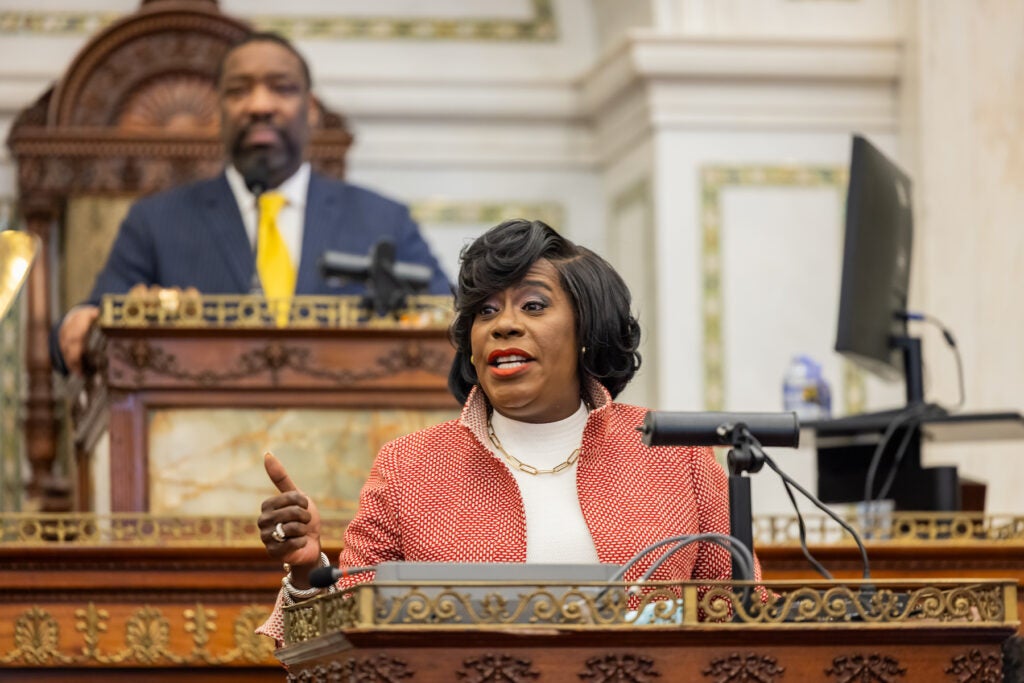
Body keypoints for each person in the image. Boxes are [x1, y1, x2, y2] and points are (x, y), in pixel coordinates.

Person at [255, 219, 753, 644]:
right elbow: (347, 641)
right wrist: (306, 568)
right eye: (486, 311)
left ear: (586, 329)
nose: (503, 325)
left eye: (533, 306)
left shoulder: (673, 455)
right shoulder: (409, 467)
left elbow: (739, 620)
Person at [52, 31, 450, 375]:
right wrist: (79, 323)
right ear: (220, 112)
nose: (259, 105)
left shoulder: (382, 220)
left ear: (310, 111)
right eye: (239, 91)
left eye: (281, 87)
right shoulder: (156, 222)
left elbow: (451, 324)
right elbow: (88, 327)